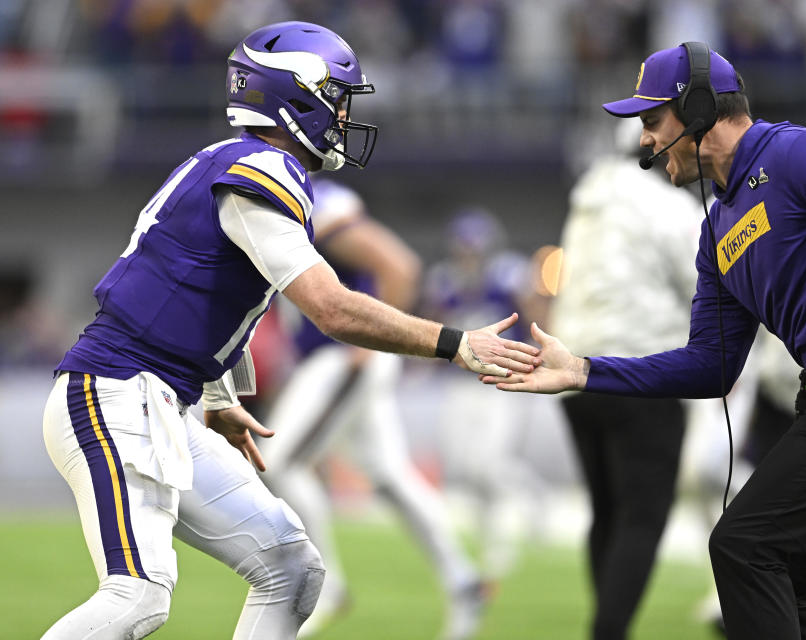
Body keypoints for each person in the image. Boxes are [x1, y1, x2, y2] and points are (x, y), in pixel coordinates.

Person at [40, 21, 538, 640]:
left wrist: (218, 398)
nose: (344, 113)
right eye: (337, 96)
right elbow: (330, 307)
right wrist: (456, 343)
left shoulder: (235, 163)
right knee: (137, 596)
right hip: (115, 393)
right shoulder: (260, 171)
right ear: (295, 95)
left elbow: (196, 294)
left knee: (291, 566)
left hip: (156, 399)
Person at [483, 42, 806, 640]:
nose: (645, 142)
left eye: (653, 121)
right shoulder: (715, 233)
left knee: (743, 543)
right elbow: (711, 366)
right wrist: (582, 370)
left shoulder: (801, 152)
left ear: (701, 106)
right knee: (785, 562)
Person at [259, 178, 489, 640]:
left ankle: (327, 587)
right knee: (388, 475)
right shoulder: (283, 200)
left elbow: (398, 265)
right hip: (330, 357)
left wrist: (370, 347)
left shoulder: (316, 202)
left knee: (280, 462)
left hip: (341, 355)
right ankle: (463, 579)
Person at [549, 117, 700, 640]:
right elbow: (705, 280)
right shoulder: (668, 205)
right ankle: (608, 633)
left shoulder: (587, 199)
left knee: (607, 512)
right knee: (642, 516)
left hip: (575, 372)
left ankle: (607, 629)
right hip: (642, 370)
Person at [422, 208, 551, 581]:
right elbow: (434, 324)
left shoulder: (509, 273)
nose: (469, 257)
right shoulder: (444, 279)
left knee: (488, 463)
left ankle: (505, 538)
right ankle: (495, 533)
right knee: (464, 466)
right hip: (461, 382)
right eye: (464, 249)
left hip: (503, 380)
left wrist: (537, 358)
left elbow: (535, 316)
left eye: (474, 249)